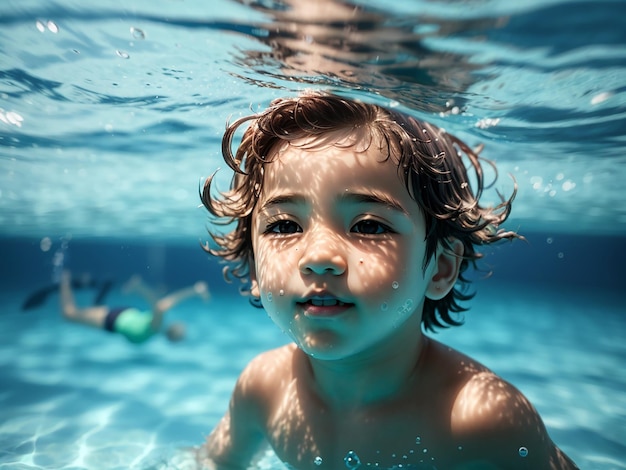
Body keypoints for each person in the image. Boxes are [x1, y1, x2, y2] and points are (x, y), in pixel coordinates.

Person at [197, 91, 578, 469]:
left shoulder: (482, 418)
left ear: (441, 268)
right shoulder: (263, 390)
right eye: (284, 225)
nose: (318, 258)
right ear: (253, 266)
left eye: (368, 226)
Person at [60, 271, 209, 343]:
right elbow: (160, 306)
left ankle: (101, 286)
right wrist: (140, 288)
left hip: (120, 316)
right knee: (70, 314)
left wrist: (195, 291)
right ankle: (64, 279)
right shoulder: (156, 327)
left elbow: (165, 304)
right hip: (114, 320)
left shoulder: (156, 328)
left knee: (90, 309)